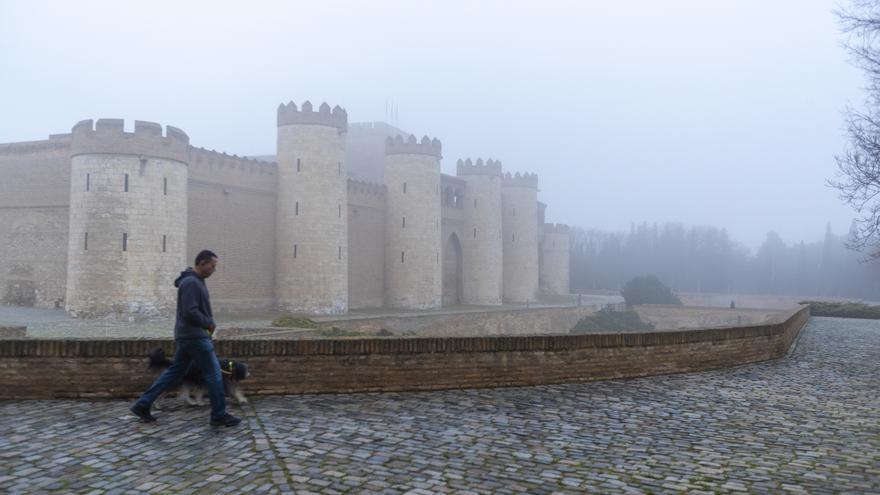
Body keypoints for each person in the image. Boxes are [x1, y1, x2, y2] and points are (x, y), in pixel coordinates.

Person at [130, 250, 241, 427]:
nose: (214, 270)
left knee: (175, 372)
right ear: (202, 263)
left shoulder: (194, 281)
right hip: (195, 336)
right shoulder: (191, 283)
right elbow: (190, 311)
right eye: (213, 266)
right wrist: (208, 323)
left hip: (187, 335)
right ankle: (219, 414)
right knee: (214, 374)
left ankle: (143, 404)